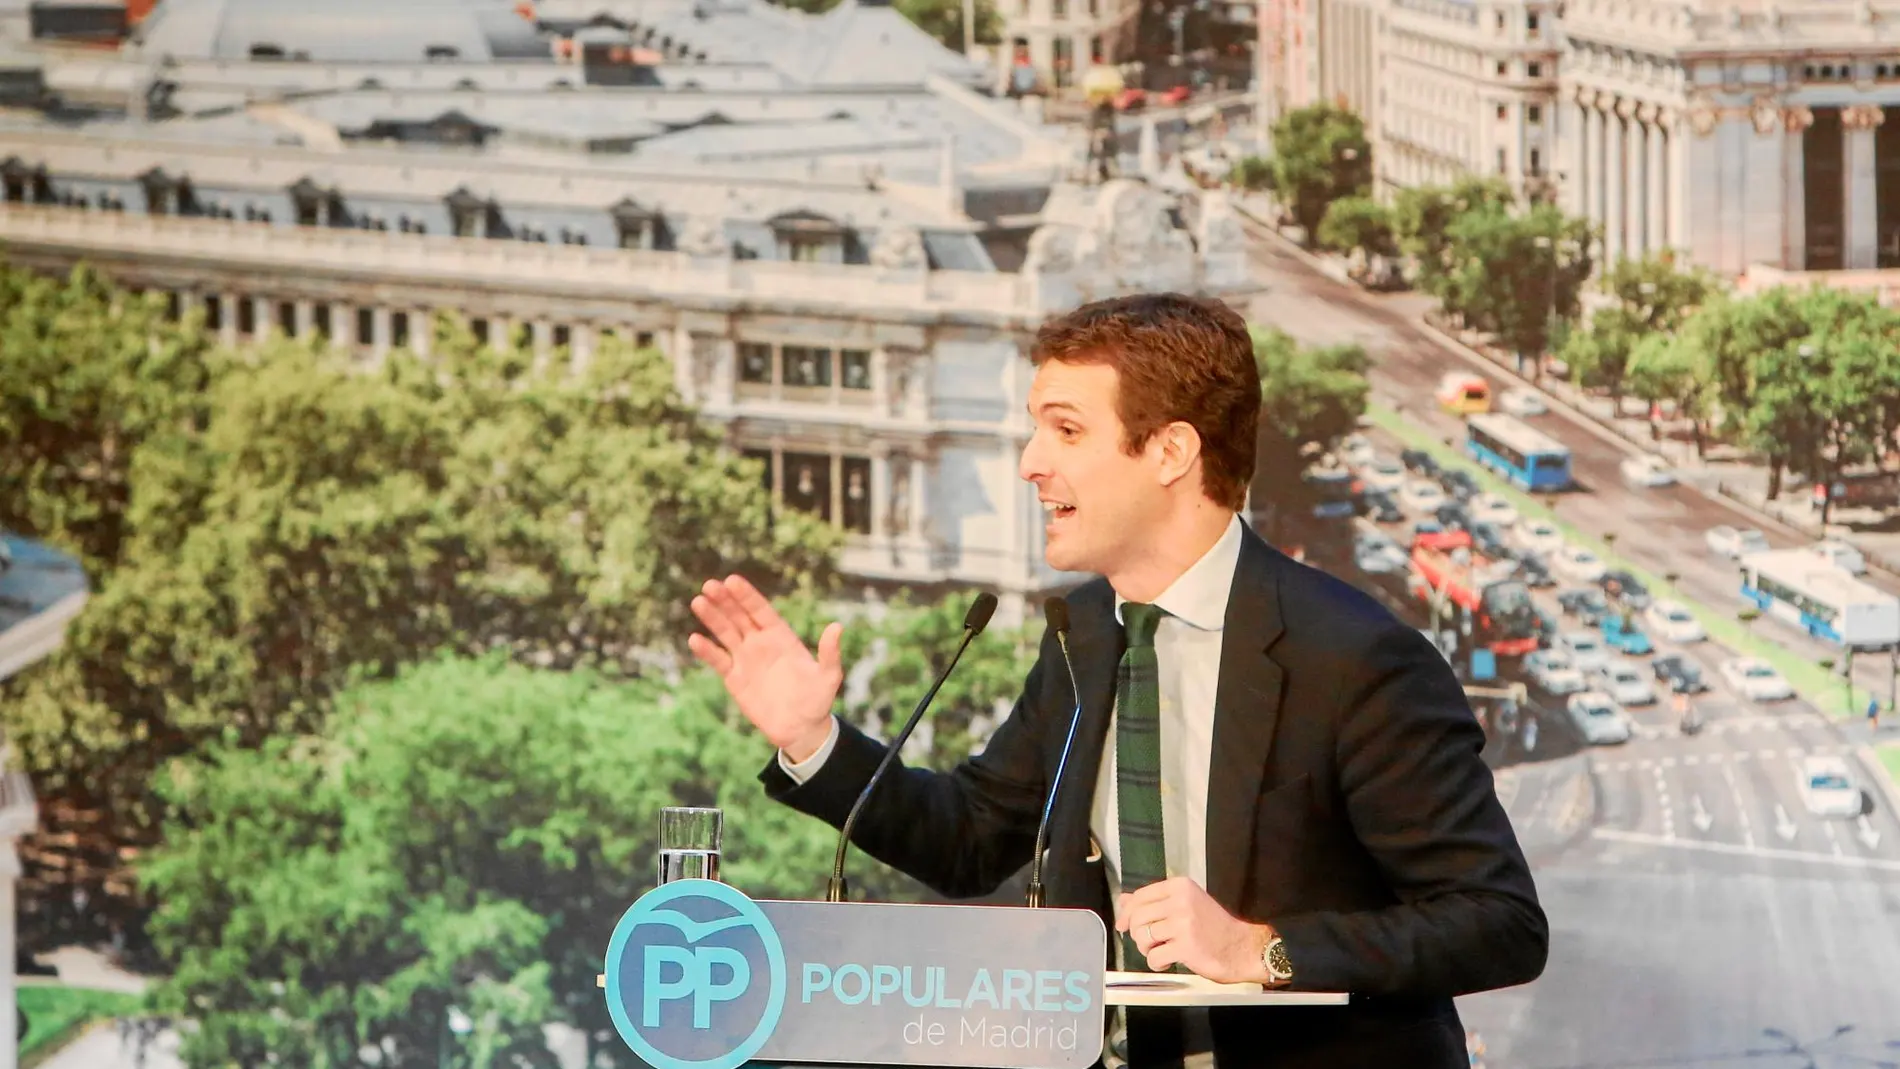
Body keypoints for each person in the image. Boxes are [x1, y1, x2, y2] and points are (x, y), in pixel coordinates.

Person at [688, 293, 1548, 1068]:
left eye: (1065, 430)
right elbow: (974, 838)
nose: (1030, 462)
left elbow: (1497, 922)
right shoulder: (1085, 632)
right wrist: (813, 740)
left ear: (1171, 450)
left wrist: (1264, 948)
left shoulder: (1355, 658)